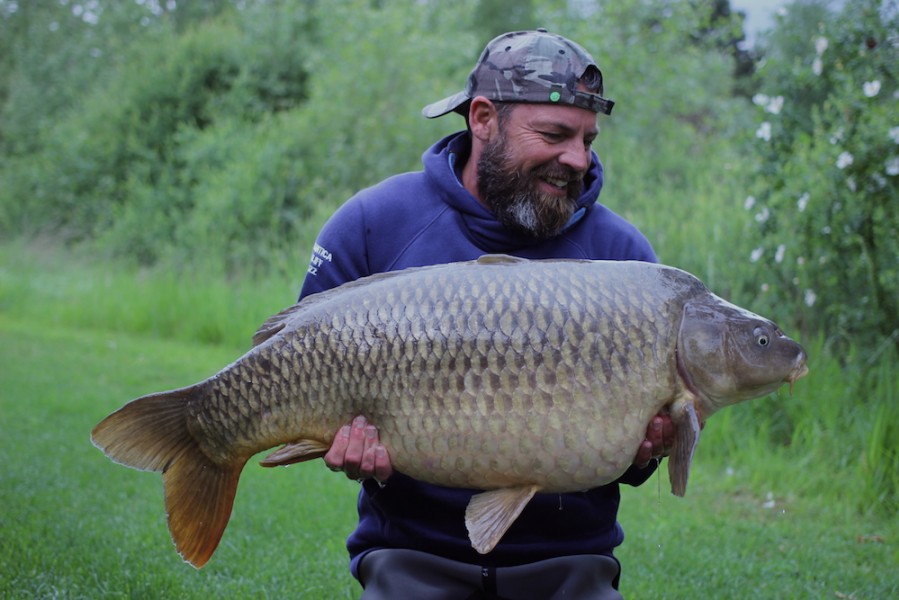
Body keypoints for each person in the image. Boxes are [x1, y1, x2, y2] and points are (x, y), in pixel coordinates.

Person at [299, 29, 674, 600]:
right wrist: (345, 443)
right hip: (410, 556)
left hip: (572, 564)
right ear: (481, 119)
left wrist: (646, 450)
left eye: (587, 139)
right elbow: (300, 361)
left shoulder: (626, 265)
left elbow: (633, 463)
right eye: (553, 134)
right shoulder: (374, 225)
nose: (577, 159)